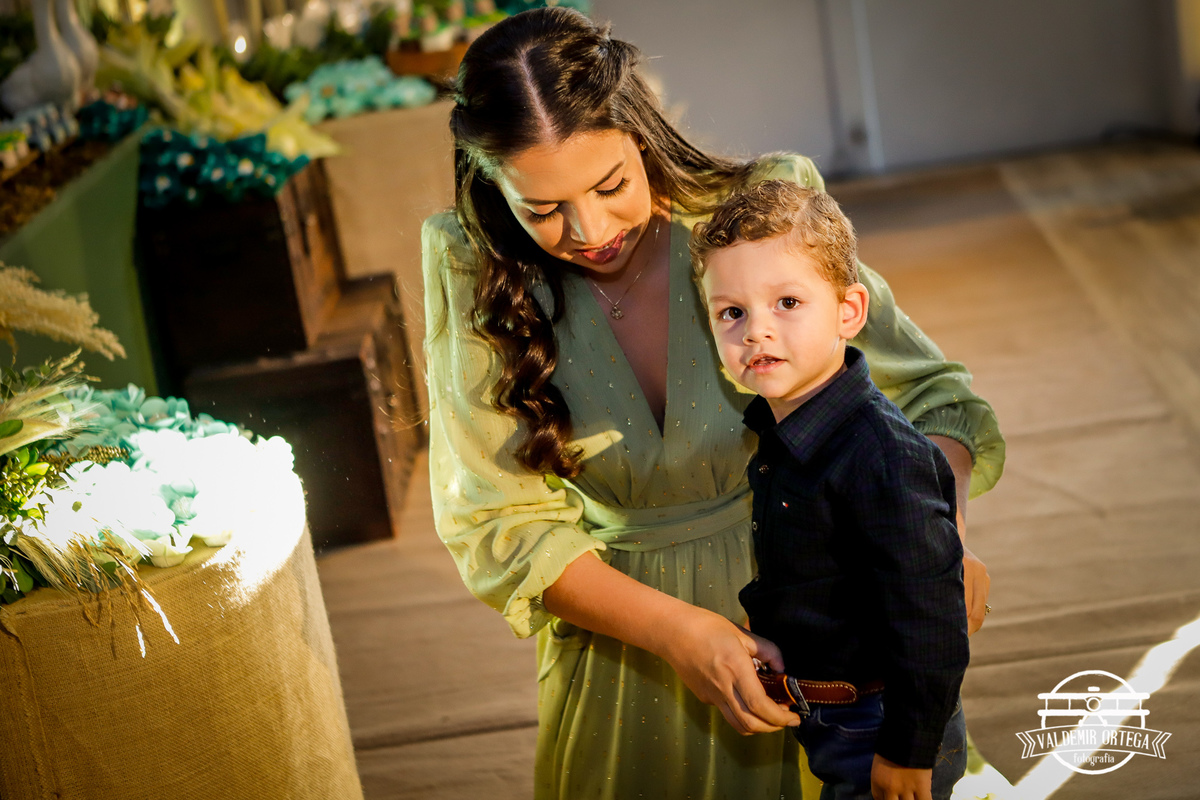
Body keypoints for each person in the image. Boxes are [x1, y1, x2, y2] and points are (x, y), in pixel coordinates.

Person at [421, 7, 1003, 798]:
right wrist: (677, 633)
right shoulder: (473, 265)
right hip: (630, 655)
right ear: (494, 187)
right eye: (543, 210)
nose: (590, 229)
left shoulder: (761, 215)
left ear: (640, 131)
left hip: (840, 640)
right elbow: (496, 524)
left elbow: (931, 397)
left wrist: (934, 534)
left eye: (610, 185)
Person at [691, 180, 969, 800]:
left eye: (787, 302)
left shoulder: (882, 456)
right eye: (732, 313)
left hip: (882, 721)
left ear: (849, 311)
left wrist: (907, 751)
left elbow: (931, 619)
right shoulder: (779, 431)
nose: (756, 332)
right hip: (830, 711)